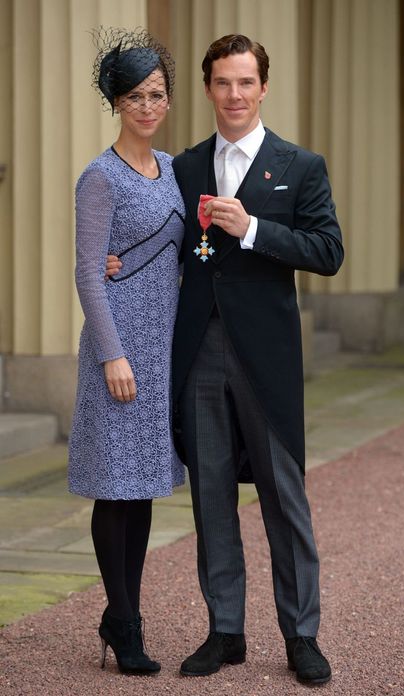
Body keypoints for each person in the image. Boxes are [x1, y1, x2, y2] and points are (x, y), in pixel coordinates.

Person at [107, 34, 344, 686]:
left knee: (282, 501)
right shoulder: (182, 168)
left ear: (262, 87)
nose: (234, 95)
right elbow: (158, 237)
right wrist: (115, 258)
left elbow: (328, 251)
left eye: (245, 83)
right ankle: (225, 630)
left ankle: (300, 636)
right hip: (199, 352)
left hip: (265, 358)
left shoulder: (300, 165)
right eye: (222, 83)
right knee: (210, 498)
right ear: (209, 90)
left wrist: (256, 230)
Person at [68, 27, 185, 675]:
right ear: (115, 102)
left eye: (157, 94)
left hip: (162, 347)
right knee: (114, 488)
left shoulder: (173, 169)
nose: (147, 105)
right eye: (135, 96)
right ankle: (126, 623)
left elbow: (188, 248)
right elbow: (89, 272)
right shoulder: (99, 178)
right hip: (118, 351)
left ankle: (120, 615)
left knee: (139, 488)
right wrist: (112, 354)